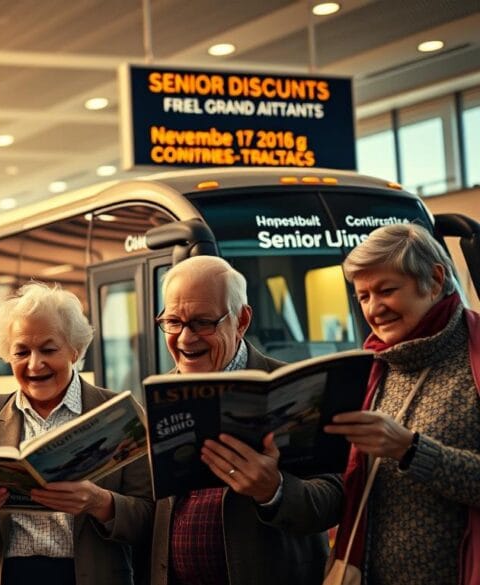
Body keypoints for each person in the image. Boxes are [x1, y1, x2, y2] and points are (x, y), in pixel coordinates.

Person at [148, 255, 342, 585]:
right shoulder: (158, 394)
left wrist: (274, 490)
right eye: (173, 322)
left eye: (202, 322)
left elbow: (334, 498)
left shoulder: (297, 388)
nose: (184, 338)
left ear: (241, 320)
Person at [0, 282, 153, 585]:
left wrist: (99, 502)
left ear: (75, 349)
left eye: (48, 349)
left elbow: (150, 518)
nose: (34, 363)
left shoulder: (117, 413)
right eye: (21, 352)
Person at [325, 223, 480, 584]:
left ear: (435, 279)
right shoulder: (366, 367)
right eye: (363, 297)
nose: (374, 309)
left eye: (387, 290)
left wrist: (410, 450)